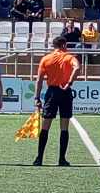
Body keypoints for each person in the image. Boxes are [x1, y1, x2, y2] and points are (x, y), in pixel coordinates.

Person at [33, 38, 79, 166]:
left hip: (52, 92)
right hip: (65, 91)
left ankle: (39, 158)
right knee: (64, 127)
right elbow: (77, 68)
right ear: (64, 45)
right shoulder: (69, 57)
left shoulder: (46, 59)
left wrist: (37, 97)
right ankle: (62, 159)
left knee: (45, 126)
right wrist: (70, 82)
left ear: (54, 46)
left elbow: (39, 80)